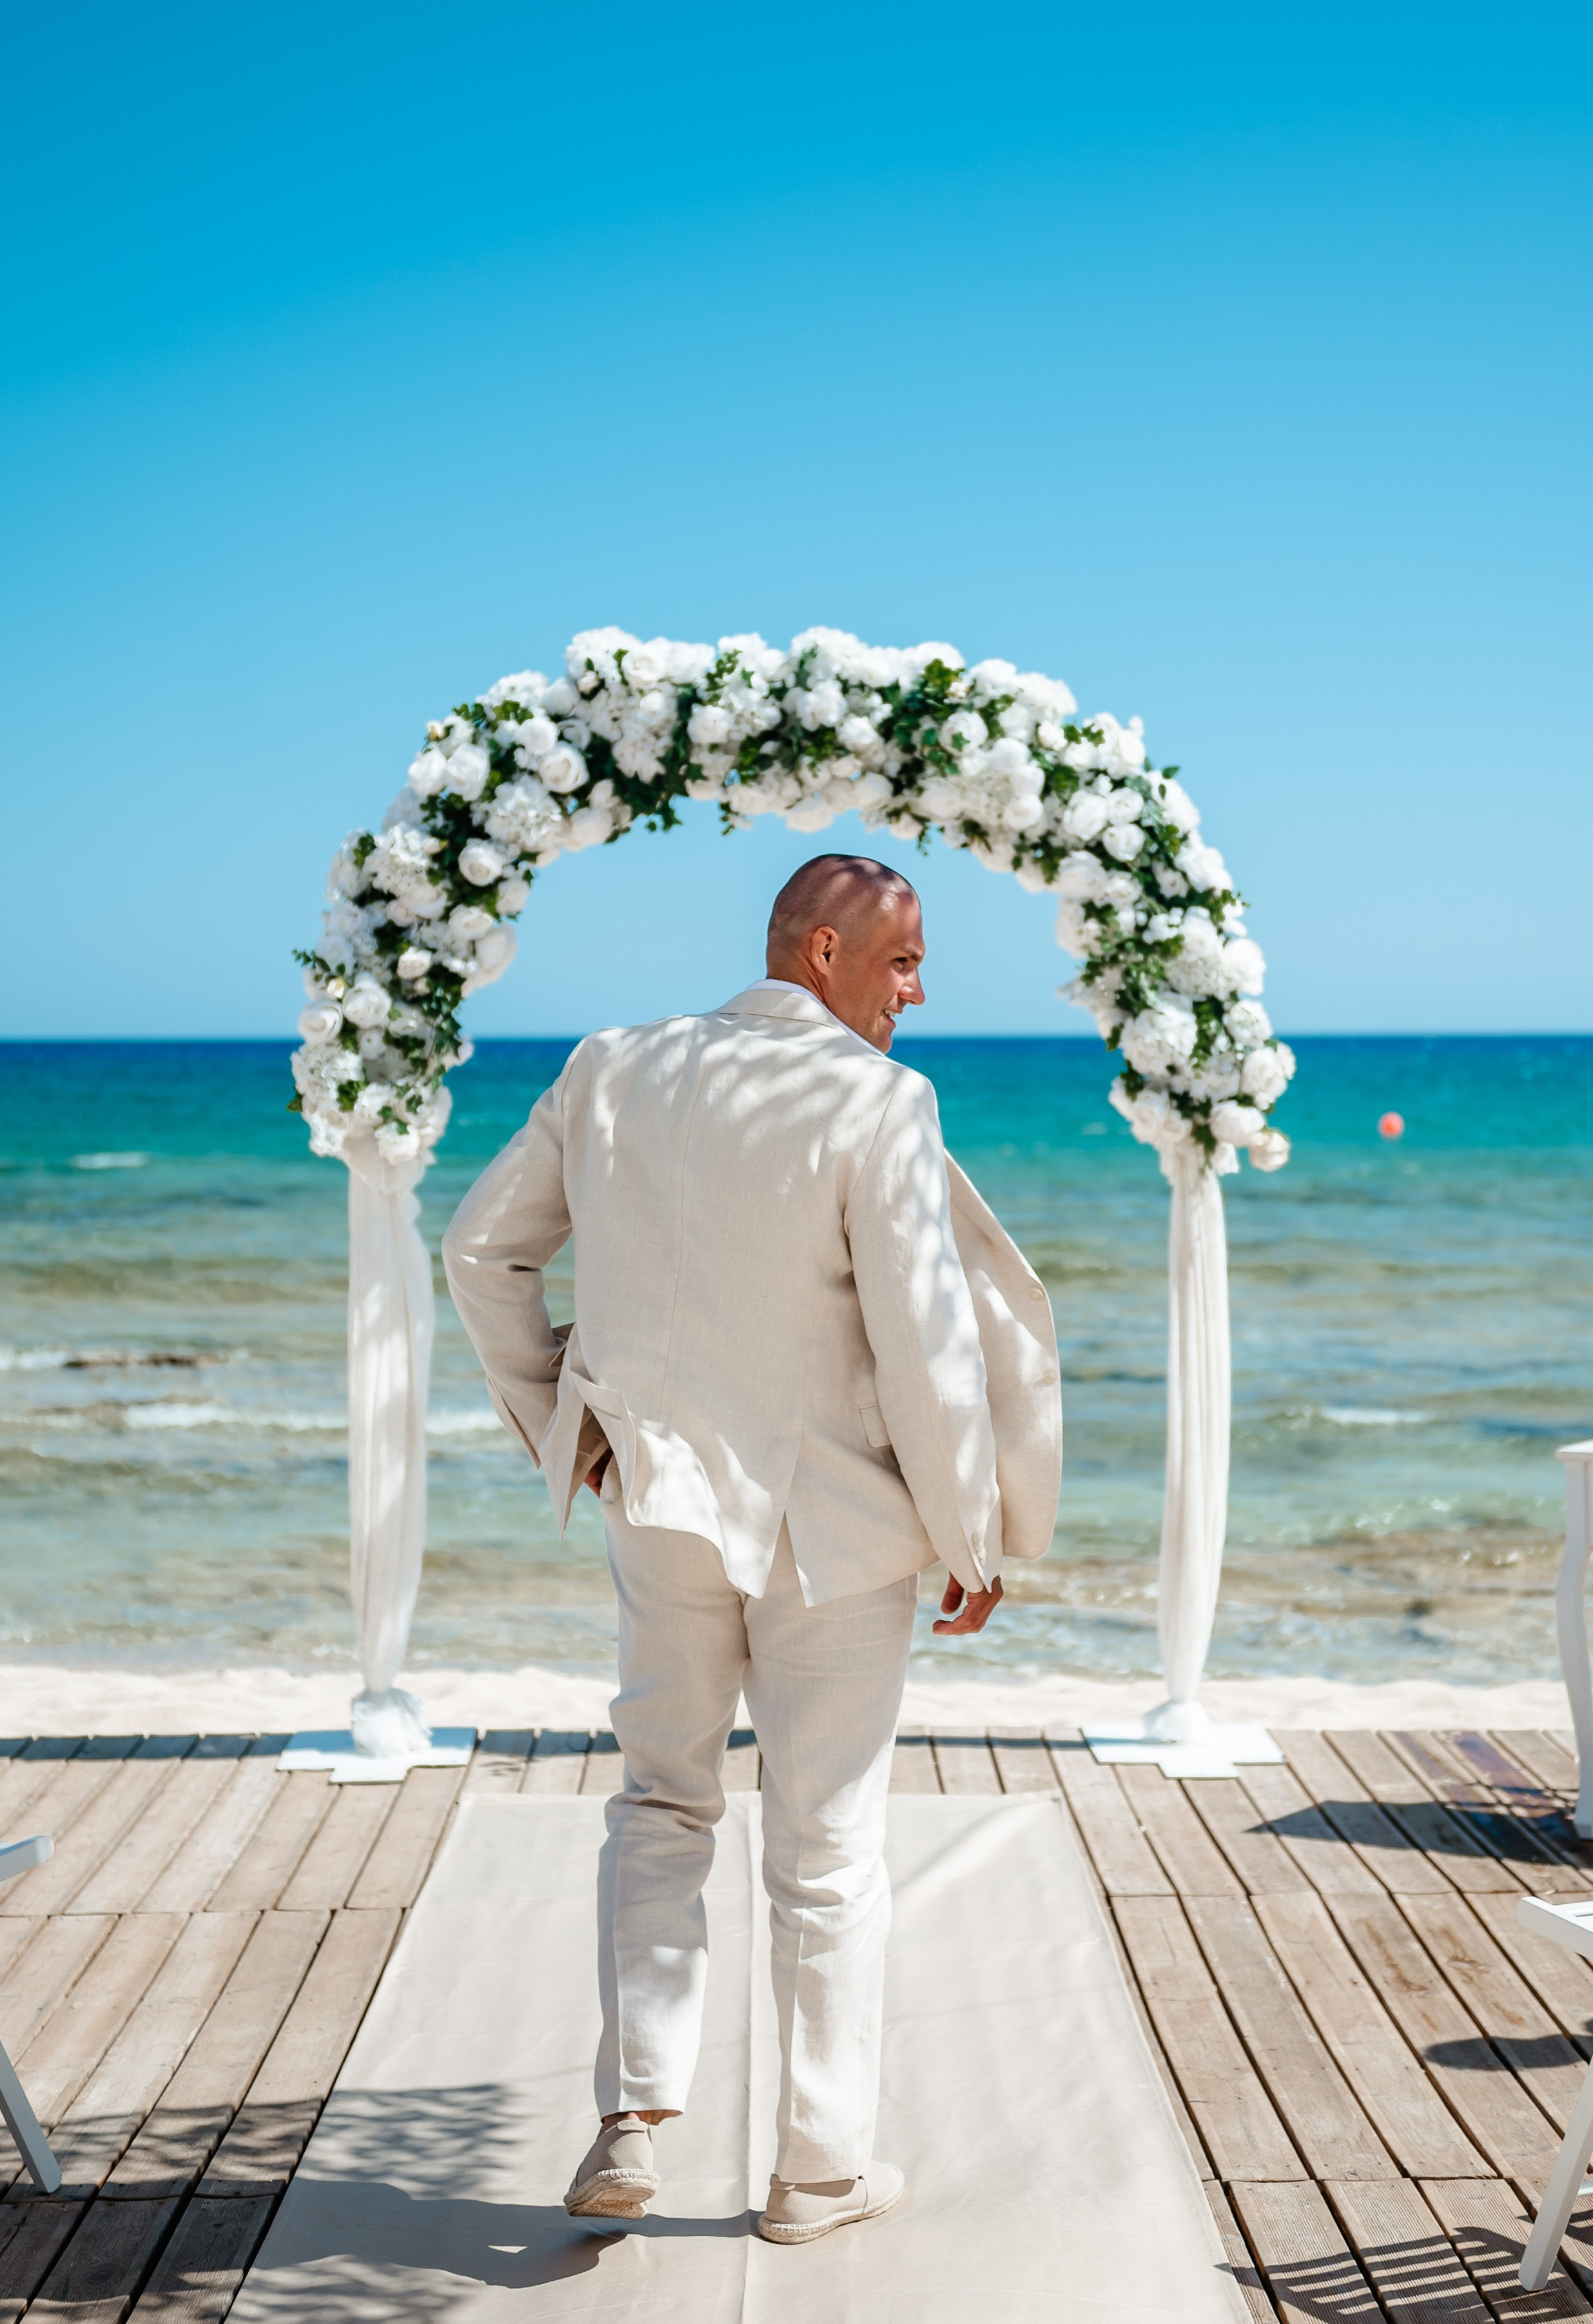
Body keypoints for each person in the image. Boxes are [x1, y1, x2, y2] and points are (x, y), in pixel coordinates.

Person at [442, 853, 1060, 2245]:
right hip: (828, 1535)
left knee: (659, 1803)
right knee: (825, 1843)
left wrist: (564, 1415)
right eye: (902, 961)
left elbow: (481, 1251)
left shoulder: (612, 1063)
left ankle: (633, 2117)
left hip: (651, 1505)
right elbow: (923, 1341)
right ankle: (817, 2170)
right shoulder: (875, 1097)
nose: (919, 990)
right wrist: (970, 1531)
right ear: (825, 951)